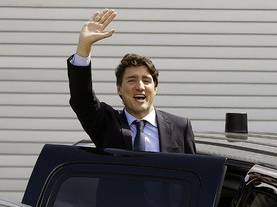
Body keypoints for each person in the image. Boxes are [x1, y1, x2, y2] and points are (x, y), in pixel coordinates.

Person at [67, 9, 196, 154]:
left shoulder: (180, 127)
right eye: (131, 80)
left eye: (146, 81)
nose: (140, 86)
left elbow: (195, 173)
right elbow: (82, 99)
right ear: (119, 88)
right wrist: (84, 46)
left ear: (155, 88)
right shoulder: (107, 124)